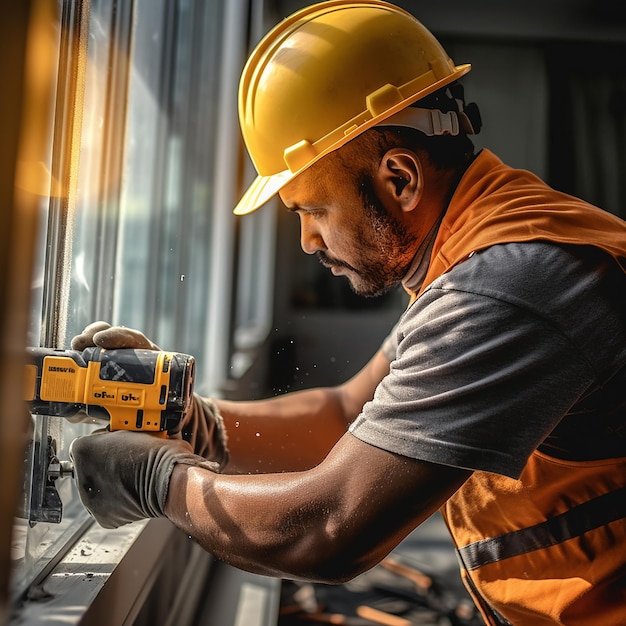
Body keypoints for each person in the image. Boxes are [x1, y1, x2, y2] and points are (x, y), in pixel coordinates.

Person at [68, 1, 626, 624]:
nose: (308, 242)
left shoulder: (510, 286)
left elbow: (332, 527)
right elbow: (346, 414)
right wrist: (195, 424)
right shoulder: (486, 248)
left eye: (314, 210)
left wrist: (157, 483)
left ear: (400, 179)